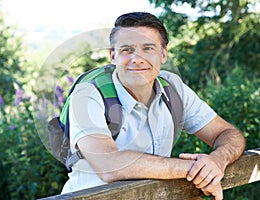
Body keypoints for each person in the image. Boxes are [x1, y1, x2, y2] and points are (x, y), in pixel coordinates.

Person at [60, 12, 245, 200]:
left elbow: (227, 134)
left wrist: (218, 160)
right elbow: (109, 165)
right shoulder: (87, 95)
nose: (137, 59)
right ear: (112, 55)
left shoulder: (174, 89)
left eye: (148, 48)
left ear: (163, 54)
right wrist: (197, 169)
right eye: (126, 50)